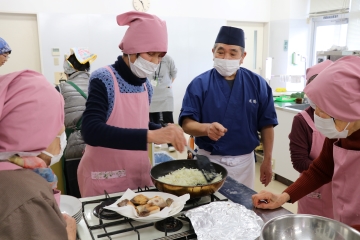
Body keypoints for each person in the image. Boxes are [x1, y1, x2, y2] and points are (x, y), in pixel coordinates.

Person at [78, 11, 186, 197]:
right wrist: (151, 135)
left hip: (138, 175)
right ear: (131, 50)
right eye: (150, 54)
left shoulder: (146, 86)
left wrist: (162, 129)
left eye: (159, 56)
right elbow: (91, 130)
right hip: (104, 179)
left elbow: (136, 122)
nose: (154, 62)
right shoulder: (104, 79)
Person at [252, 56, 360, 231]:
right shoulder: (341, 132)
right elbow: (322, 169)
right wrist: (284, 196)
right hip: (345, 222)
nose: (316, 114)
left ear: (348, 109)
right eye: (315, 106)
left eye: (322, 109)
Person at [179, 26, 278, 189]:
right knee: (208, 207)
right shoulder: (199, 84)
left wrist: (267, 160)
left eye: (233, 53)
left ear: (243, 56)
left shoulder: (257, 84)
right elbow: (186, 124)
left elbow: (267, 124)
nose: (226, 57)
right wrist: (206, 129)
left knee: (242, 208)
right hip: (209, 160)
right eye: (220, 52)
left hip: (244, 163)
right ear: (213, 52)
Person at [0, 70, 76, 240]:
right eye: (58, 128)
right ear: (35, 131)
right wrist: (69, 234)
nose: (61, 137)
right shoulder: (25, 197)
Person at [288, 60, 334, 218]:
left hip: (343, 193)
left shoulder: (348, 121)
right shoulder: (302, 121)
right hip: (314, 190)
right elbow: (300, 162)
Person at [57, 48, 97, 198]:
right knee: (99, 192)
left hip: (73, 150)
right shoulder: (101, 84)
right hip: (100, 147)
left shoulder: (61, 88)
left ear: (68, 69)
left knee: (76, 195)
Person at [149, 54, 178, 152]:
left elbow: (174, 74)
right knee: (154, 119)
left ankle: (171, 143)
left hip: (166, 94)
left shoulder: (168, 59)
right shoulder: (148, 58)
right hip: (152, 94)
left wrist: (167, 85)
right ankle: (157, 141)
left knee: (168, 119)